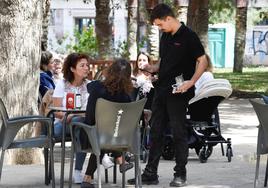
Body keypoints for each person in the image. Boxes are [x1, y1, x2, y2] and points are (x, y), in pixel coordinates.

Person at [128, 3, 208, 187]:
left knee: (179, 132)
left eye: (159, 24)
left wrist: (191, 82)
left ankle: (180, 174)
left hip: (179, 92)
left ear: (169, 19)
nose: (159, 28)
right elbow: (164, 62)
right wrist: (152, 68)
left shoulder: (189, 36)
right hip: (161, 90)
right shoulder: (165, 36)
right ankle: (150, 173)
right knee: (155, 132)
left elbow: (202, 61)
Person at [80, 59, 134, 188]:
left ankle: (87, 178)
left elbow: (88, 86)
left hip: (90, 136)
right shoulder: (126, 96)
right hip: (120, 139)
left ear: (110, 71)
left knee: (101, 137)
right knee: (108, 135)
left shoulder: (97, 87)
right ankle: (120, 159)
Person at [52, 52, 91, 184]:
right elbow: (56, 111)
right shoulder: (62, 84)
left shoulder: (89, 86)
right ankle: (97, 156)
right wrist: (69, 116)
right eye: (82, 65)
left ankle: (78, 171)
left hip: (79, 124)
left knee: (79, 125)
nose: (86, 68)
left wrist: (74, 116)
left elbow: (91, 112)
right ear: (72, 68)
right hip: (61, 126)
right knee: (80, 125)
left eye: (87, 65)